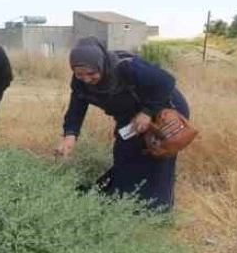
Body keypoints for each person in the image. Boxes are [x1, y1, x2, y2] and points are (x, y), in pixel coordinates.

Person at [55, 36, 191, 211]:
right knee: (125, 153)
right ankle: (125, 202)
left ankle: (157, 209)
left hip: (164, 109)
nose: (86, 79)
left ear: (101, 64)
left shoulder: (127, 67)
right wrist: (70, 135)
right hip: (129, 115)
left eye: (91, 73)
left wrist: (147, 112)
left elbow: (166, 81)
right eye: (79, 74)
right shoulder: (80, 83)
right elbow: (76, 108)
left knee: (157, 155)